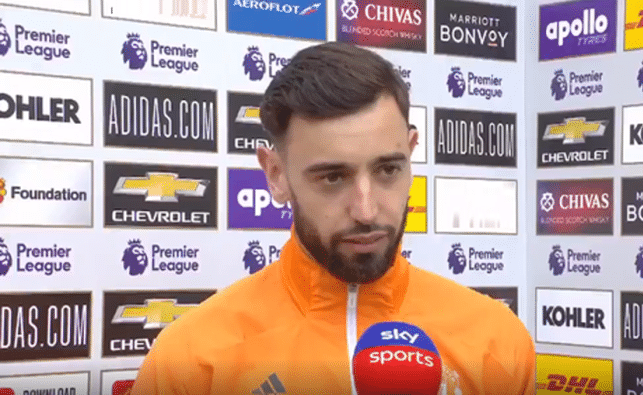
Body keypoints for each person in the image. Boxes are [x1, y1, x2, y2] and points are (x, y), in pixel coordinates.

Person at [129, 42, 535, 395]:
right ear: (276, 175)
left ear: (411, 153)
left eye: (388, 170)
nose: (366, 210)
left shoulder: (496, 341)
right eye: (333, 177)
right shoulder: (192, 358)